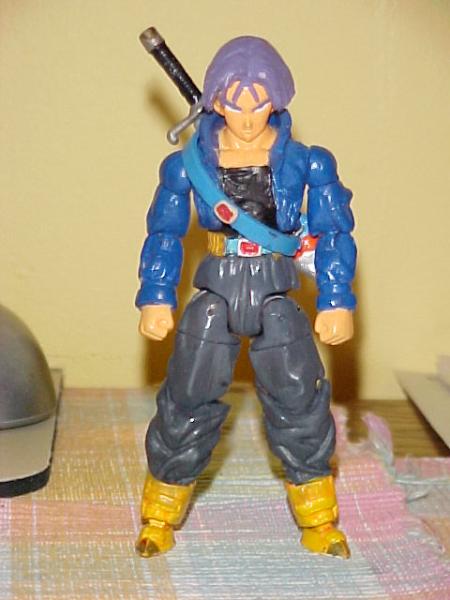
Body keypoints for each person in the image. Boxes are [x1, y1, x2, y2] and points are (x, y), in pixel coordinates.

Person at [135, 36, 356, 559]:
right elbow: (164, 233)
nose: (248, 116)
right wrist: (156, 295)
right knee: (187, 397)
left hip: (276, 287)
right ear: (215, 100)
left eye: (259, 102)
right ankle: (159, 514)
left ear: (277, 100)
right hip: (216, 286)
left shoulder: (307, 163)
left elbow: (333, 231)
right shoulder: (188, 165)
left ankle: (319, 518)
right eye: (236, 102)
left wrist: (336, 299)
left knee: (299, 400)